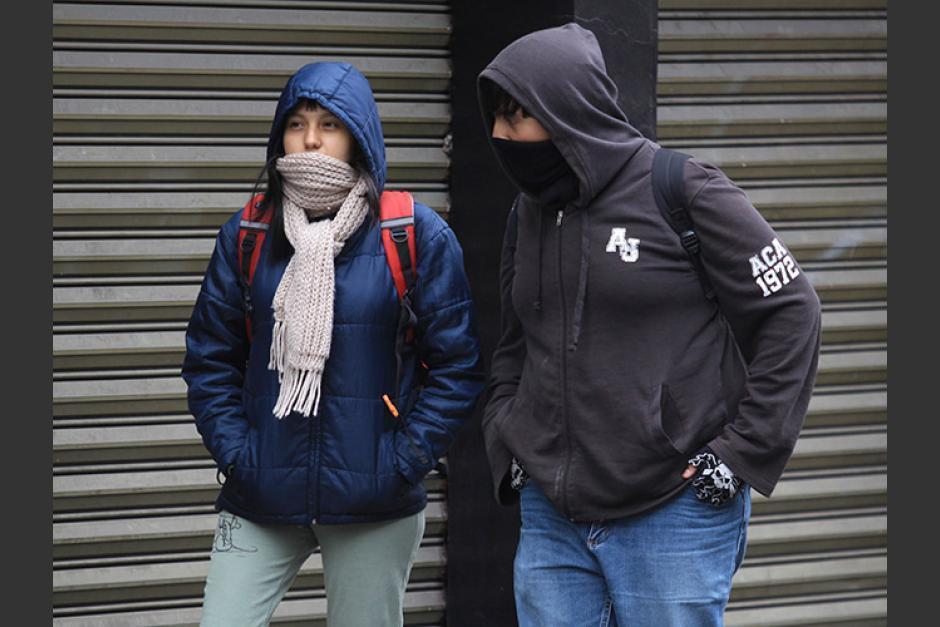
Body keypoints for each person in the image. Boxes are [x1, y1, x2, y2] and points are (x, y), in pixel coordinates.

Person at [478, 23, 822, 626]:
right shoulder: (526, 213)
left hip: (672, 512)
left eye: (517, 117)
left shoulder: (685, 190)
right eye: (497, 119)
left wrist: (743, 453)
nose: (501, 136)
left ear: (567, 110)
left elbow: (792, 311)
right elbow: (515, 341)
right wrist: (508, 436)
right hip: (554, 518)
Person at [182, 61, 484, 627]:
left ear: (359, 136)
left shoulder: (412, 233)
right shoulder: (247, 234)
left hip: (375, 499)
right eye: (297, 124)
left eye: (330, 124)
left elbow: (458, 367)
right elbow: (209, 360)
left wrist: (403, 459)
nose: (312, 139)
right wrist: (240, 455)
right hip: (261, 493)